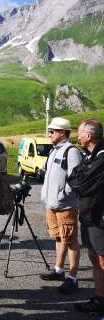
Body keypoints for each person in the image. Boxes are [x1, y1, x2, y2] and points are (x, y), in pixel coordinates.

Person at [40, 117, 82, 294]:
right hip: (52, 204)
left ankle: (73, 278)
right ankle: (58, 270)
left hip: (65, 205)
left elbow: (76, 179)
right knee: (58, 237)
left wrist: (62, 194)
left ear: (63, 133)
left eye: (53, 131)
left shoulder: (71, 151)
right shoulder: (54, 151)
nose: (49, 134)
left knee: (70, 240)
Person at [68, 119, 104, 315]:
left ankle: (101, 300)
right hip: (90, 216)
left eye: (80, 133)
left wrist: (81, 178)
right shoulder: (92, 156)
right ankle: (99, 298)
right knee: (94, 257)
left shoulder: (101, 157)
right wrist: (81, 178)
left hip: (99, 218)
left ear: (89, 136)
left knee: (101, 259)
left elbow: (80, 184)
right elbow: (74, 178)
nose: (78, 136)